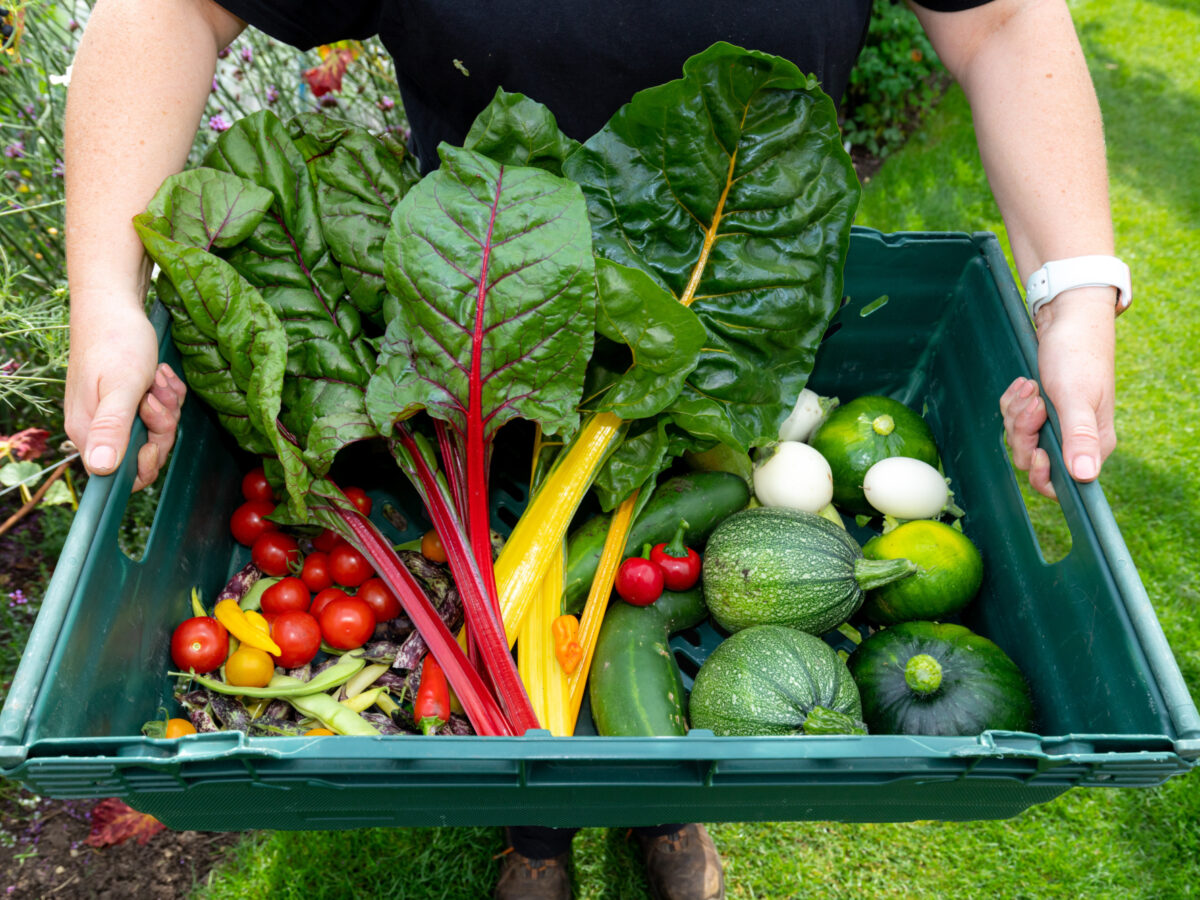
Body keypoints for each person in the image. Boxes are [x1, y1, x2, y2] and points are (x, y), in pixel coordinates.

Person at [61, 1, 1129, 897]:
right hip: (482, 306)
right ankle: (538, 832)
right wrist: (106, 301)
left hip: (724, 326)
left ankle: (660, 811)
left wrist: (1077, 295)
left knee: (639, 613)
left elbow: (999, 20)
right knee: (557, 595)